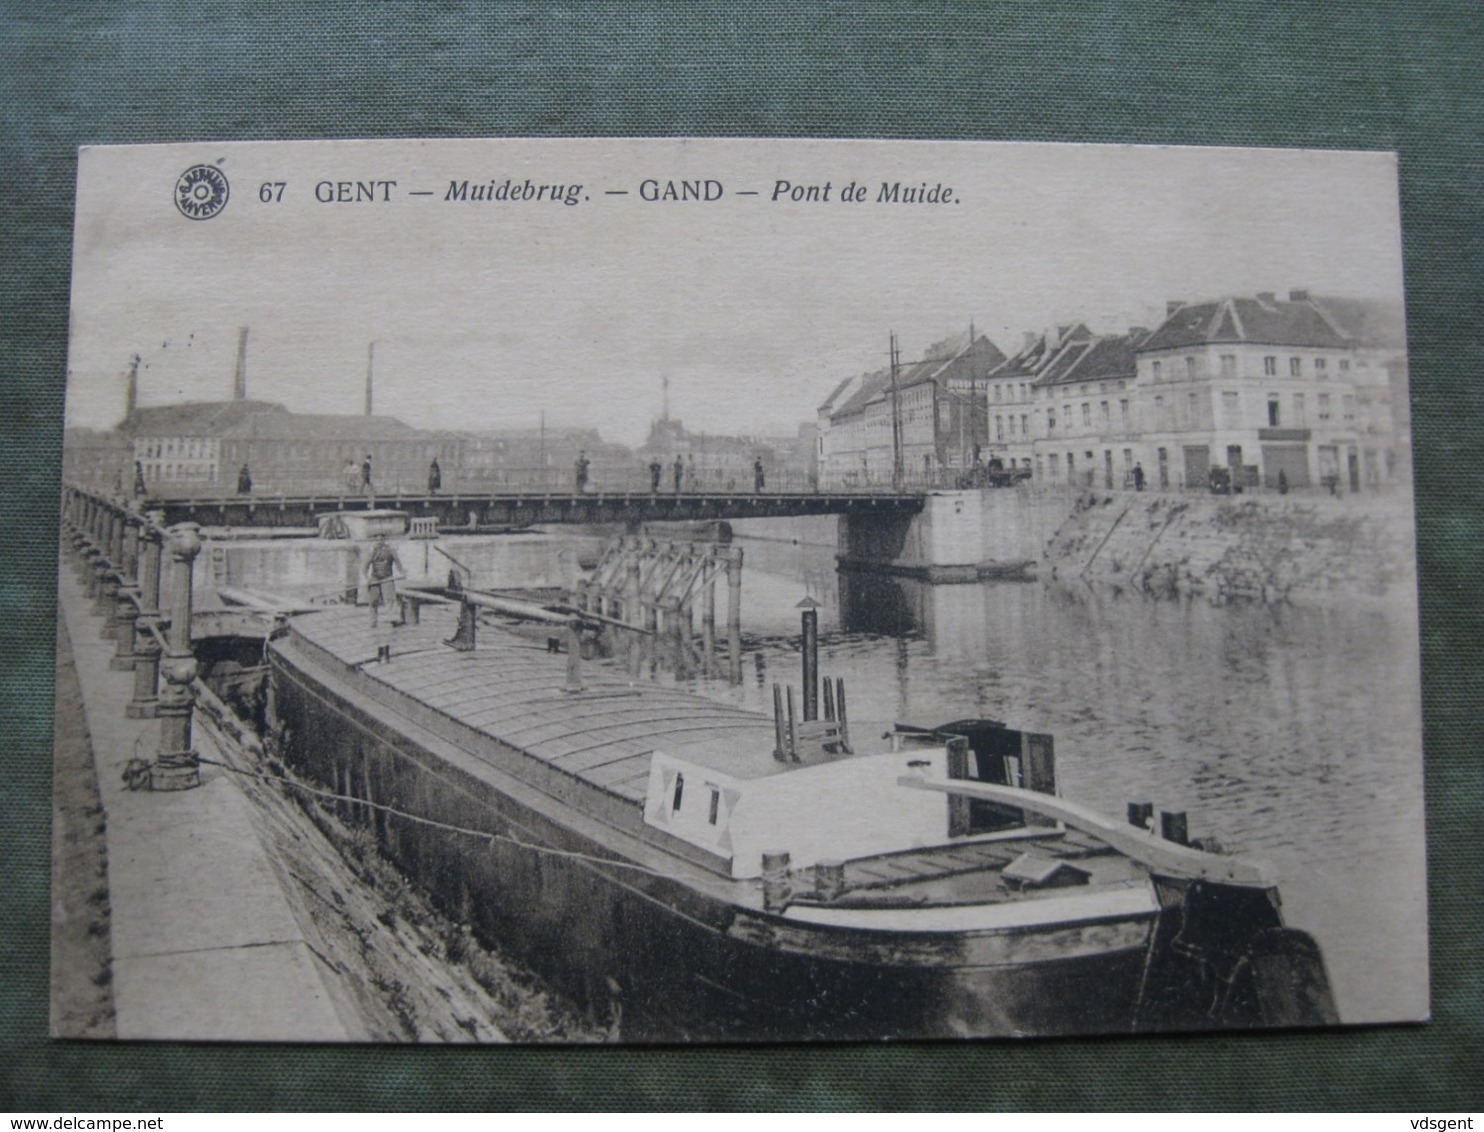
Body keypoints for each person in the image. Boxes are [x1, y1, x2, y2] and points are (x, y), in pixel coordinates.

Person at [363, 535, 404, 659]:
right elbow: (364, 567)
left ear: (384, 540)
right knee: (373, 603)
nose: (379, 541)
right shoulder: (372, 551)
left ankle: (390, 619)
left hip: (387, 578)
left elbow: (398, 563)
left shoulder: (391, 550)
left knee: (389, 601)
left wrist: (402, 572)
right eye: (377, 539)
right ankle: (372, 622)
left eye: (381, 539)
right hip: (375, 578)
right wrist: (368, 578)